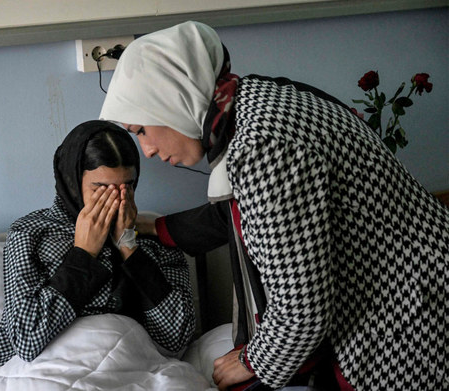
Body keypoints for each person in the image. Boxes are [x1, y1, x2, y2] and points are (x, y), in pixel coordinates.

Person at [99, 21, 448, 391]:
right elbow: (255, 214)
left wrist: (254, 361)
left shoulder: (261, 147)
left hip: (411, 320)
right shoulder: (258, 98)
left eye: (141, 130)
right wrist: (153, 228)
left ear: (170, 98)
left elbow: (303, 309)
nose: (148, 150)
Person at [0, 120, 195, 368]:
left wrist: (129, 247)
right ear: (72, 182)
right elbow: (25, 340)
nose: (116, 198)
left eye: (127, 186)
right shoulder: (31, 233)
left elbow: (178, 337)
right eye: (101, 188)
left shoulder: (156, 237)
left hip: (132, 369)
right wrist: (84, 255)